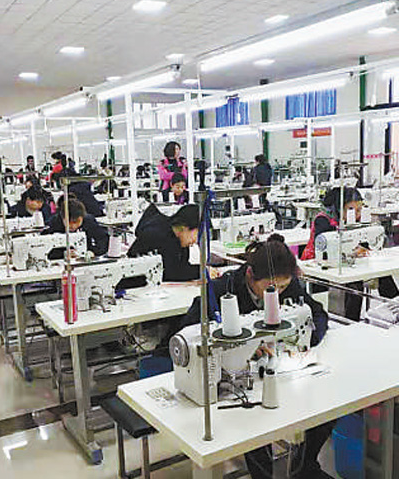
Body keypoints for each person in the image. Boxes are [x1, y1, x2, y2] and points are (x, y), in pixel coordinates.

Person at [184, 234, 331, 479]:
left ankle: (304, 463)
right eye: (273, 288)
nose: (279, 293)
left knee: (329, 404)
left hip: (278, 368)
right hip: (233, 378)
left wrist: (305, 338)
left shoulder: (285, 283)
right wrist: (242, 347)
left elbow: (317, 313)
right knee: (254, 422)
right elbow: (191, 334)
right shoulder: (222, 290)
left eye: (283, 287)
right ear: (251, 275)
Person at [302, 187, 398, 321]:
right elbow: (325, 247)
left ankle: (394, 309)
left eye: (359, 210)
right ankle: (351, 320)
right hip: (320, 264)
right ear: (339, 208)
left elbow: (363, 241)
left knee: (383, 274)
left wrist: (362, 248)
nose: (357, 214)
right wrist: (353, 250)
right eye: (352, 210)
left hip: (346, 262)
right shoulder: (323, 220)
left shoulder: (354, 220)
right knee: (355, 285)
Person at [127, 203, 199, 281]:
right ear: (185, 227)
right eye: (197, 234)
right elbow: (172, 273)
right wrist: (202, 271)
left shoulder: (179, 240)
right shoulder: (158, 236)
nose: (196, 241)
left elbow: (182, 267)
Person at [42, 199, 109, 256]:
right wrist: (62, 254)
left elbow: (103, 240)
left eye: (77, 221)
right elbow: (44, 248)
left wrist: (93, 252)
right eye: (69, 222)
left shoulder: (89, 221)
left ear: (82, 217)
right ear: (62, 218)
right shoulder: (53, 224)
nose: (73, 226)